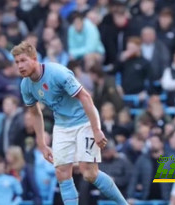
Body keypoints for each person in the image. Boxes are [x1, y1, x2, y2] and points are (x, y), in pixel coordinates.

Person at [11, 41, 127, 205]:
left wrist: (96, 129)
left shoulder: (58, 73)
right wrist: (42, 144)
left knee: (89, 173)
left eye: (23, 60)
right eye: (17, 62)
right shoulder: (26, 85)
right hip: (62, 126)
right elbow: (35, 113)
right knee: (61, 173)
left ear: (34, 58)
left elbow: (85, 97)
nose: (20, 66)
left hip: (83, 121)